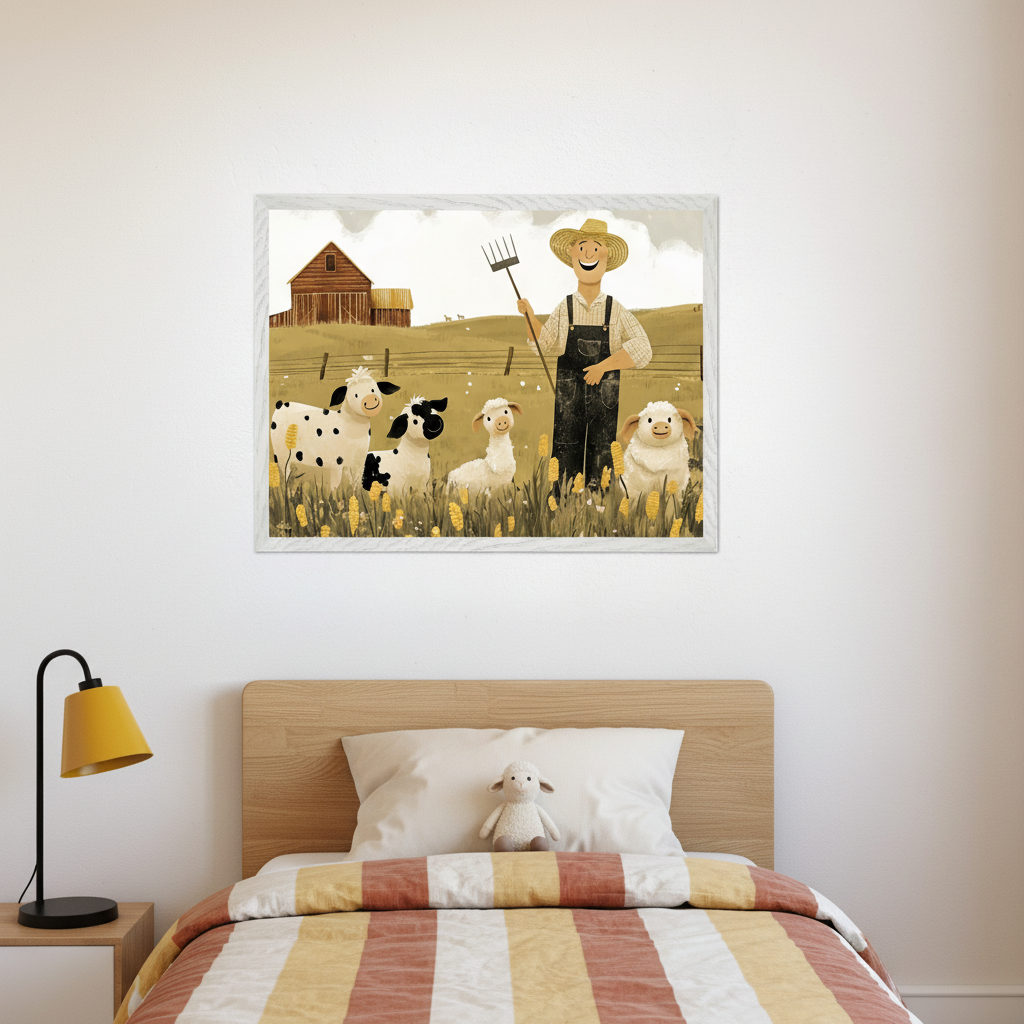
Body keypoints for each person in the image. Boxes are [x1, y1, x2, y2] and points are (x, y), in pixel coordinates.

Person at [518, 218, 652, 489]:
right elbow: (547, 346)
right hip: (569, 395)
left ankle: (600, 500)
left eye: (596, 248)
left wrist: (603, 366)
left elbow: (643, 349)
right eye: (582, 248)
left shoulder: (615, 309)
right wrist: (529, 317)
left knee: (603, 446)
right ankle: (563, 497)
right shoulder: (564, 307)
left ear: (606, 257)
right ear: (571, 254)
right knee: (566, 443)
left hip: (605, 396)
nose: (588, 254)